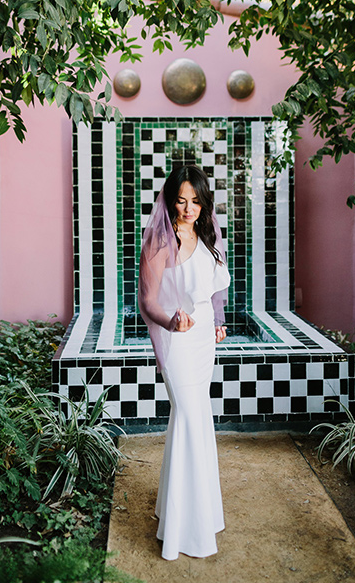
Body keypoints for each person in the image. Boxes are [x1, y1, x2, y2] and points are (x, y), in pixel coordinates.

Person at [138, 164, 231, 561]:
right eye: (181, 200)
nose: (189, 208)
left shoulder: (210, 235)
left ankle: (185, 515)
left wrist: (220, 321)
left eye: (195, 200)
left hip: (203, 342)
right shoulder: (160, 242)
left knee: (195, 422)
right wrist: (170, 320)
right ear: (169, 199)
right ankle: (183, 531)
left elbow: (215, 288)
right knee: (190, 419)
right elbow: (148, 301)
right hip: (177, 343)